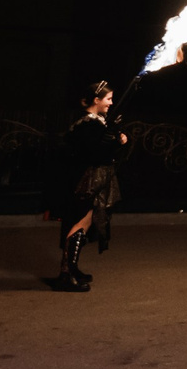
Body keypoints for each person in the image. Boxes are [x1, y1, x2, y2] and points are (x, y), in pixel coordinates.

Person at [50, 81, 128, 292]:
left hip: (90, 181)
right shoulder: (87, 123)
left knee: (82, 223)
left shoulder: (95, 122)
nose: (111, 103)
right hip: (84, 182)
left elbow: (102, 150)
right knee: (79, 223)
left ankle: (69, 270)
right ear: (96, 100)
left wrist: (114, 136)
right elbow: (93, 154)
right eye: (108, 99)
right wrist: (114, 140)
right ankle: (66, 275)